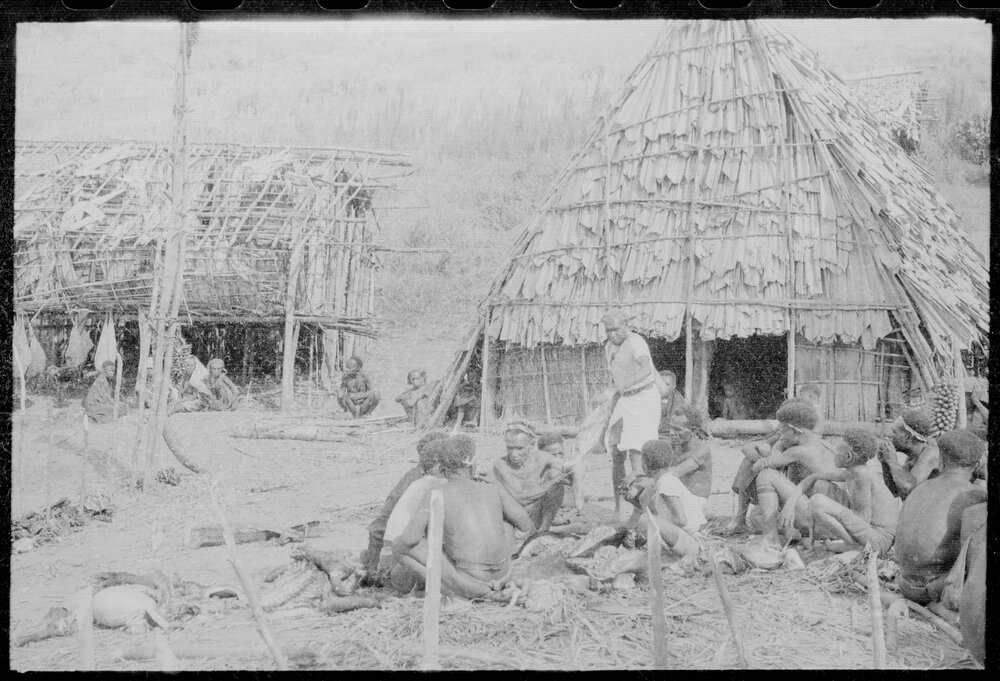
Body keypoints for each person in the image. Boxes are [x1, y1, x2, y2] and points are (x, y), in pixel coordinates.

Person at [392, 436, 535, 601]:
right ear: (470, 461)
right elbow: (524, 524)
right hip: (504, 575)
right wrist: (497, 487)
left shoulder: (436, 492)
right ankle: (493, 585)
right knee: (507, 522)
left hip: (469, 581)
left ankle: (453, 594)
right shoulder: (490, 488)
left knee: (399, 544)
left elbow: (409, 539)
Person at [894, 429, 987, 605]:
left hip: (904, 583)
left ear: (941, 461)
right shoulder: (976, 494)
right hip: (932, 589)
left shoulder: (922, 486)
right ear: (977, 464)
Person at [778, 428, 899, 555]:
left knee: (817, 502)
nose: (834, 452)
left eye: (837, 450)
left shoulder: (861, 475)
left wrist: (826, 515)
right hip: (871, 534)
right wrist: (790, 504)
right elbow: (814, 477)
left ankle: (854, 547)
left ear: (848, 457)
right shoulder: (854, 471)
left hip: (878, 541)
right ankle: (850, 545)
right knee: (821, 485)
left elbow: (863, 519)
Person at [741, 400, 837, 544]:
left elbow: (758, 467)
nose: (781, 435)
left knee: (766, 475)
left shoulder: (800, 451)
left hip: (819, 521)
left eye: (783, 431)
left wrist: (777, 447)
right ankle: (791, 533)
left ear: (795, 431)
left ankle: (771, 537)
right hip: (831, 519)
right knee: (757, 514)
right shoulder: (823, 444)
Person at [722, 397, 818, 536]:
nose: (780, 429)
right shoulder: (785, 437)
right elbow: (748, 448)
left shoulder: (804, 445)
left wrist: (768, 461)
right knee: (749, 461)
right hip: (791, 493)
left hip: (801, 501)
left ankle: (780, 535)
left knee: (758, 515)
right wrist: (772, 451)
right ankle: (740, 520)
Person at [361, 431, 449, 576]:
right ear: (440, 463)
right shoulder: (427, 481)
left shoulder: (416, 476)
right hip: (391, 547)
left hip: (385, 541)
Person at [602, 309, 660, 518]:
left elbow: (646, 369)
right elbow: (615, 379)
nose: (612, 334)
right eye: (608, 330)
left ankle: (638, 510)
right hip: (624, 400)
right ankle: (619, 506)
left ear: (626, 325)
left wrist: (623, 386)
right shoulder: (609, 347)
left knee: (637, 455)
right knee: (616, 453)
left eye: (616, 329)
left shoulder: (636, 342)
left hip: (643, 399)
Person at [623, 439, 707, 559]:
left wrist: (654, 526)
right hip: (688, 537)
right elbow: (650, 506)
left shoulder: (666, 483)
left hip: (694, 541)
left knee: (646, 520)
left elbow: (681, 520)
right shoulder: (664, 480)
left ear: (645, 467)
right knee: (647, 512)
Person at [493, 423, 573, 533]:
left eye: (519, 448)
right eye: (509, 448)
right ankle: (540, 532)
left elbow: (568, 465)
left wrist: (572, 473)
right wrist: (553, 482)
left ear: (532, 444)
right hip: (515, 520)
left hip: (536, 516)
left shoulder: (540, 458)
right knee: (555, 480)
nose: (513, 454)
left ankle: (543, 530)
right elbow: (521, 498)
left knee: (555, 474)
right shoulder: (501, 465)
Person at [876, 408, 939, 499]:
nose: (888, 434)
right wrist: (885, 464)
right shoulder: (911, 457)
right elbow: (895, 492)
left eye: (894, 432)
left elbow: (908, 487)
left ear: (908, 437)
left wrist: (892, 461)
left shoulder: (930, 453)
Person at [662, 404, 712, 501]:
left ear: (693, 431)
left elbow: (676, 473)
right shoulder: (675, 446)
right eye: (671, 428)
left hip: (696, 500)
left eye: (677, 429)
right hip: (680, 496)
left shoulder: (702, 450)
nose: (671, 433)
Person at [657, 369, 688, 435]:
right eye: (660, 384)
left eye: (667, 384)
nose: (663, 387)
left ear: (674, 385)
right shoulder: (650, 397)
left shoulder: (678, 400)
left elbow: (679, 425)